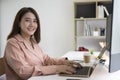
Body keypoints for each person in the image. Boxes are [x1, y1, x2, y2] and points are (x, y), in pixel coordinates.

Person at [4, 7, 81, 80]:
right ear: (19, 23)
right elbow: (23, 71)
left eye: (35, 21)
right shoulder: (12, 43)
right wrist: (57, 68)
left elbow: (45, 60)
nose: (32, 24)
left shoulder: (32, 41)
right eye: (27, 20)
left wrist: (64, 62)